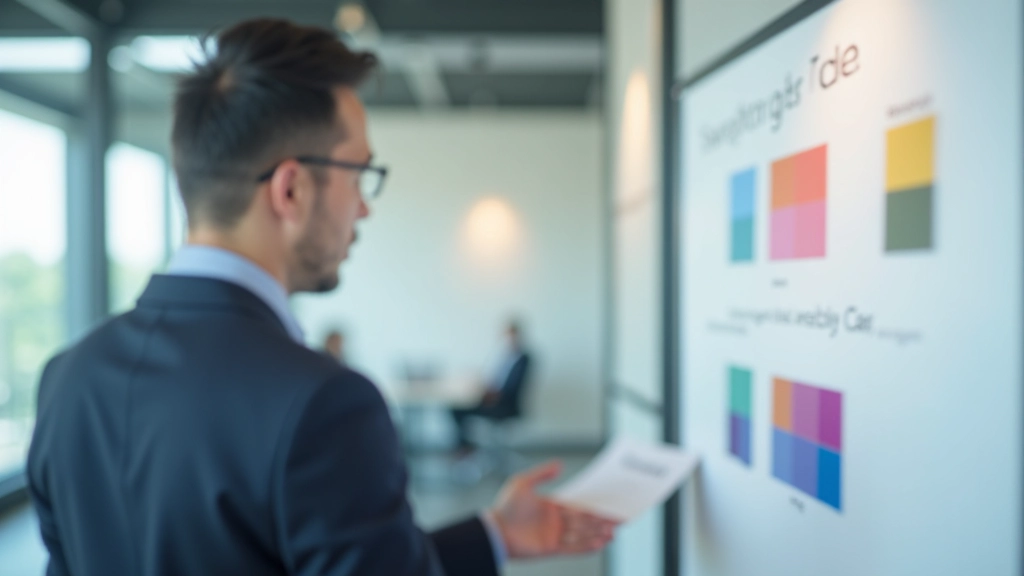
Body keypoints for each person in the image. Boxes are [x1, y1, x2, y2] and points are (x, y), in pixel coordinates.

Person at [26, 19, 615, 576]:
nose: (364, 208)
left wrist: (492, 534)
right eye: (359, 175)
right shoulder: (324, 404)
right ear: (291, 190)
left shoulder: (69, 377)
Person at [451, 320, 531, 453]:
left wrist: (492, 395)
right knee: (455, 407)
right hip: (493, 397)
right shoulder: (504, 357)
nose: (509, 340)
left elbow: (511, 389)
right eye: (506, 336)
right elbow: (494, 380)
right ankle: (465, 446)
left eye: (511, 336)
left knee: (458, 409)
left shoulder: (522, 359)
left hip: (503, 404)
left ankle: (465, 448)